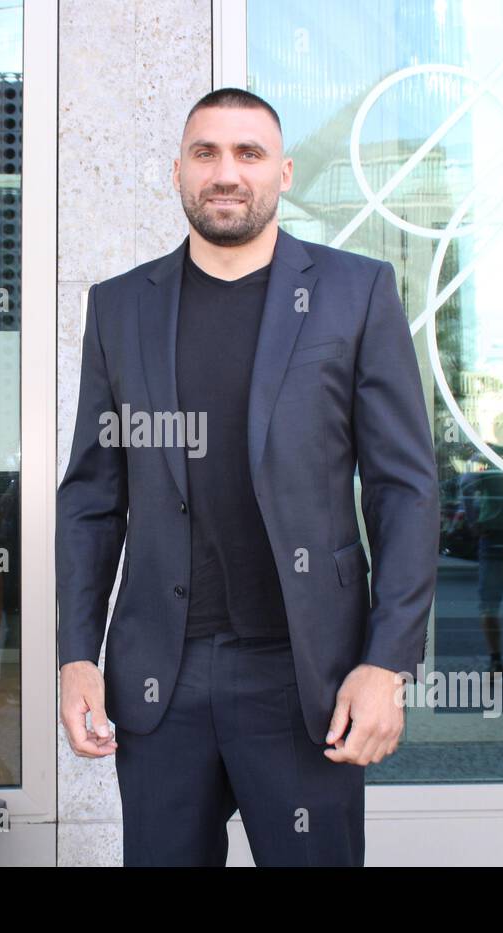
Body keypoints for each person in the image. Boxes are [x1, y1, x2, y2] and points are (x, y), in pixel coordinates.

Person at [55, 88, 439, 866]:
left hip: (306, 679)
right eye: (206, 153)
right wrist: (77, 655)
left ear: (284, 173)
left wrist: (387, 661)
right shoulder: (120, 308)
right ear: (177, 172)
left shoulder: (354, 293)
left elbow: (405, 488)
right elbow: (93, 499)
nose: (226, 173)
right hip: (162, 675)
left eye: (248, 153)